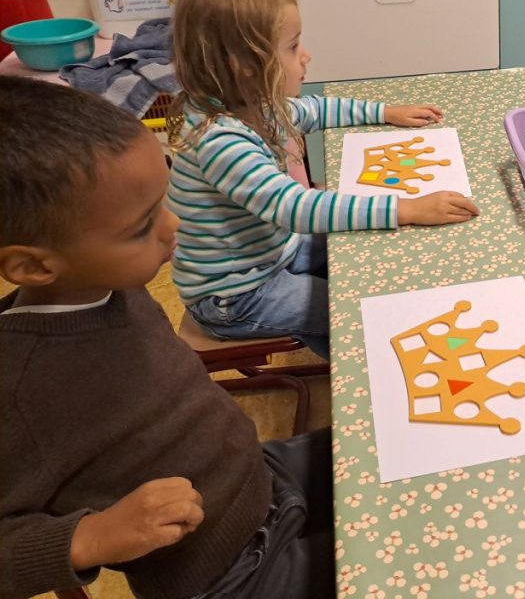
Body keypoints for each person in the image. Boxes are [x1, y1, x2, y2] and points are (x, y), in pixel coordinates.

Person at [0, 76, 334, 599]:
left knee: (414, 463)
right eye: (142, 226)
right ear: (32, 266)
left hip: (263, 480)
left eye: (164, 199)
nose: (174, 224)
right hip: (228, 576)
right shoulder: (19, 389)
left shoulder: (115, 286)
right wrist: (88, 539)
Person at [168, 0, 478, 360]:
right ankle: (362, 373)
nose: (306, 55)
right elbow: (296, 208)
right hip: (236, 295)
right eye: (292, 46)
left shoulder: (251, 104)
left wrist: (385, 111)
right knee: (357, 310)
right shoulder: (220, 140)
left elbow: (314, 110)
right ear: (245, 64)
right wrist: (407, 208)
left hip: (271, 251)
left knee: (369, 258)